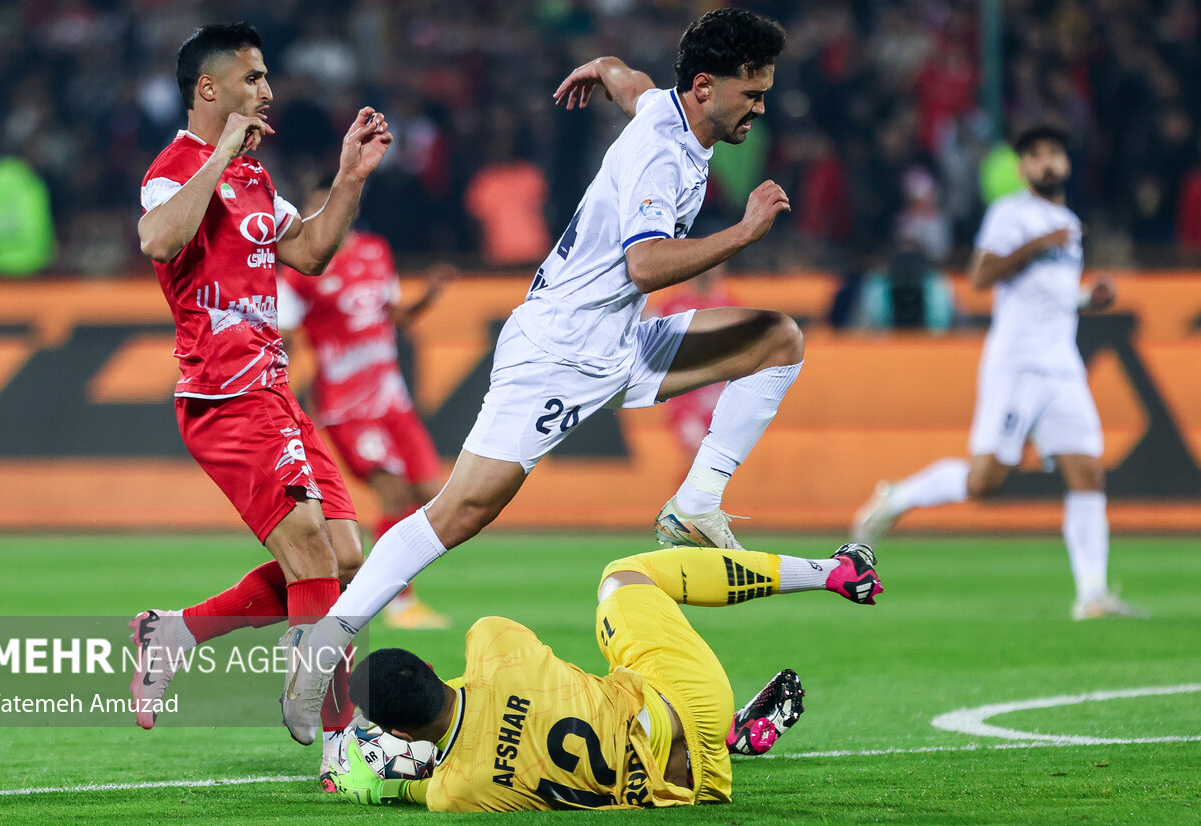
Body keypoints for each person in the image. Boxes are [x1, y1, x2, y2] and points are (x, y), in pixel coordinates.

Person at [283, 8, 830, 746]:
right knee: (462, 510)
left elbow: (631, 84)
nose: (760, 107)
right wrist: (743, 233)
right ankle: (331, 635)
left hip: (620, 340)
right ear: (705, 87)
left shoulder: (668, 111)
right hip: (560, 351)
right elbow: (645, 263)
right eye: (752, 93)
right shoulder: (664, 157)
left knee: (777, 339)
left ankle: (697, 502)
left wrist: (604, 66)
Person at [128, 21, 392, 785]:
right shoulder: (173, 168)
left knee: (345, 557)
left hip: (274, 389)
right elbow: (158, 240)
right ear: (209, 90)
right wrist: (218, 155)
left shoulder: (256, 179)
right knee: (311, 547)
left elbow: (307, 253)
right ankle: (343, 744)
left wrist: (350, 177)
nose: (268, 92)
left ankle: (174, 633)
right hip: (222, 393)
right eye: (253, 79)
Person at [325, 542, 881, 810]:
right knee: (622, 577)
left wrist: (380, 785)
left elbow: (416, 780)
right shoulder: (494, 642)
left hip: (687, 789)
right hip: (689, 702)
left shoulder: (457, 791)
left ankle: (733, 739)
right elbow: (473, 688)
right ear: (427, 666)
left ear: (399, 734)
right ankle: (834, 572)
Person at [852, 124, 1145, 621]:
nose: (1047, 162)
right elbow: (981, 276)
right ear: (1023, 168)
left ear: (1066, 163)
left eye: (1054, 152)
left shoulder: (1068, 221)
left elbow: (1049, 290)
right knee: (986, 481)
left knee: (1088, 473)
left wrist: (1086, 298)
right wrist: (1039, 242)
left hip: (1062, 366)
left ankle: (1091, 596)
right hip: (1018, 364)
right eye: (1035, 155)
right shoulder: (1013, 214)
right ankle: (898, 496)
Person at [277, 180, 451, 630]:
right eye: (314, 207)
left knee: (430, 492)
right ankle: (399, 603)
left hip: (393, 399)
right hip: (346, 407)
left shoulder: (376, 251)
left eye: (329, 203)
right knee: (393, 490)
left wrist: (427, 300)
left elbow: (390, 315)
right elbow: (288, 339)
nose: (322, 213)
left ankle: (372, 587)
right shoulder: (300, 270)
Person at [655, 265, 735, 454]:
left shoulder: (731, 306)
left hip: (718, 397)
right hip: (684, 397)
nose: (706, 273)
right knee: (694, 453)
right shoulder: (672, 306)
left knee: (713, 459)